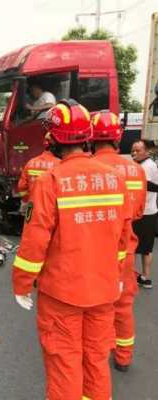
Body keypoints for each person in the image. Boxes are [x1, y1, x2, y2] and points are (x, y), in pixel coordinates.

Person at [12, 100, 131, 400]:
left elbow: (35, 241)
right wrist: (116, 274)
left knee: (64, 361)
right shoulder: (115, 180)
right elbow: (123, 237)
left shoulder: (52, 181)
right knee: (96, 359)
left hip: (62, 293)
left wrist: (22, 284)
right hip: (103, 291)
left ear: (52, 138)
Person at [91, 111, 147, 372]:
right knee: (123, 306)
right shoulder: (136, 170)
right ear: (118, 136)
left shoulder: (89, 170)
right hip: (124, 248)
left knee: (97, 308)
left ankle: (99, 355)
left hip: (94, 252)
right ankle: (124, 357)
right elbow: (137, 213)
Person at [131, 140, 158, 289]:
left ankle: (146, 277)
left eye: (138, 150)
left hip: (146, 212)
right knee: (136, 246)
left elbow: (145, 185)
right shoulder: (139, 165)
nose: (134, 153)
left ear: (146, 151)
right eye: (132, 150)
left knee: (144, 247)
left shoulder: (147, 166)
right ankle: (135, 275)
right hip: (139, 211)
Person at [17, 134, 60, 203]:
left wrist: (28, 199)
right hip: (51, 208)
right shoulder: (59, 164)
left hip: (32, 207)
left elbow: (21, 187)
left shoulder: (31, 162)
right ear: (55, 147)